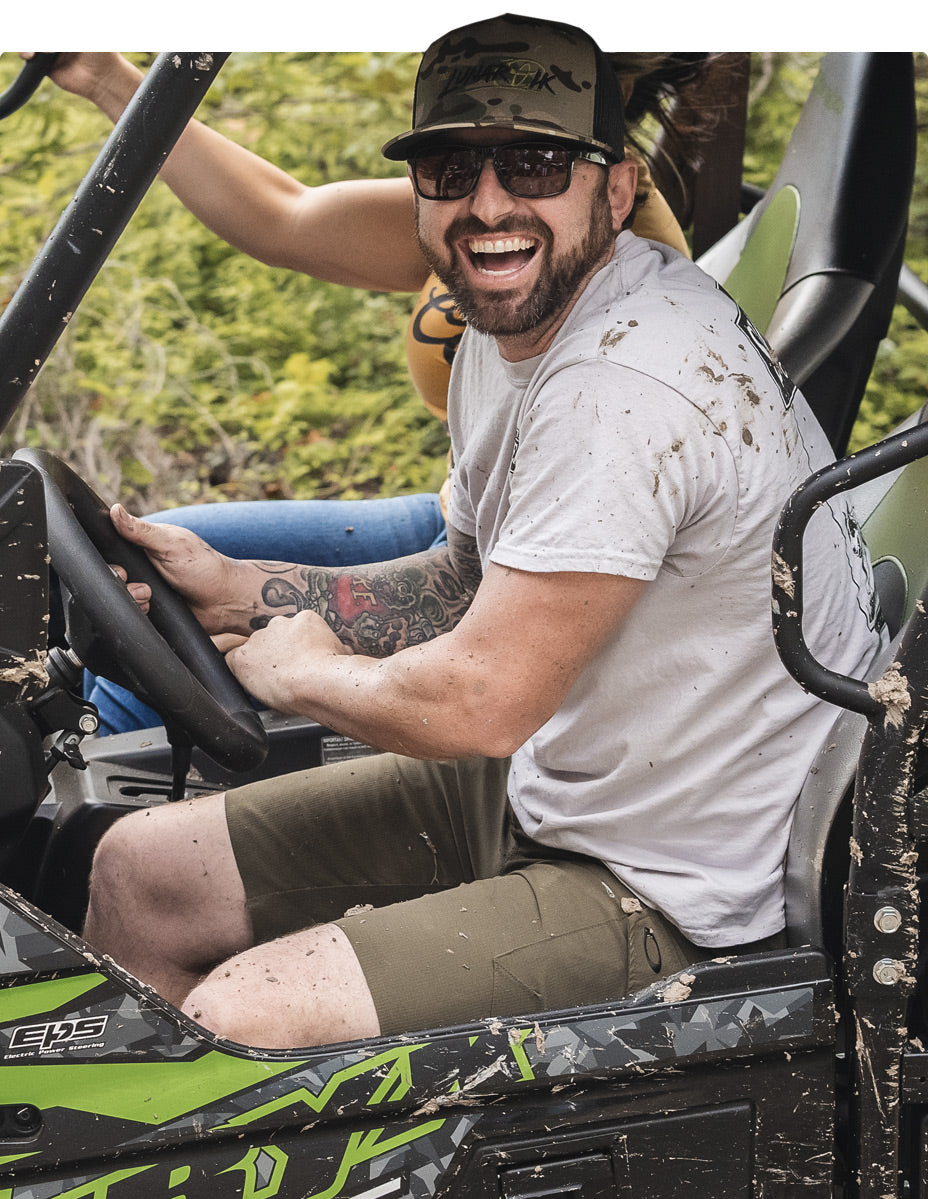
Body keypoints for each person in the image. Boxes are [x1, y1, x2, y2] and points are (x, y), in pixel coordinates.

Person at [82, 13, 884, 1054]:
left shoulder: (623, 388)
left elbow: (478, 701)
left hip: (681, 883)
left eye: (536, 162)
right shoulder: (510, 332)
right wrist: (245, 588)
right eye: (452, 167)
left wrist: (302, 675)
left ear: (617, 186)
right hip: (570, 782)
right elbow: (463, 577)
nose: (490, 203)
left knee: (242, 1018)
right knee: (137, 875)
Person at [40, 47, 705, 734]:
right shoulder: (486, 195)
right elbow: (283, 216)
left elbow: (501, 668)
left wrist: (300, 658)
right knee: (150, 578)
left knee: (146, 667)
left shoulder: (604, 254)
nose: (485, 194)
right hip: (460, 526)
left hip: (532, 560)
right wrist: (107, 79)